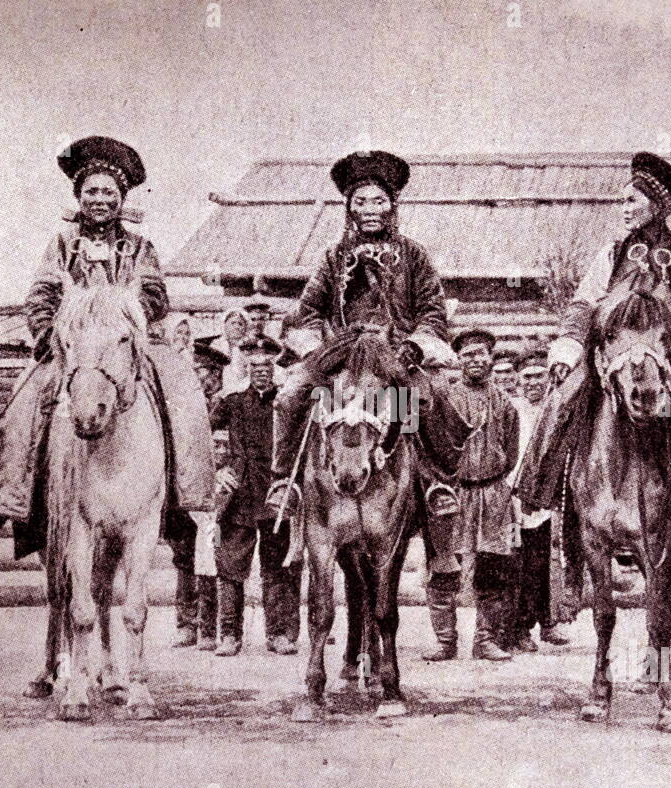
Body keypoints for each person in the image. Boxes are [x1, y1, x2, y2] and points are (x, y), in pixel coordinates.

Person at [0, 136, 214, 557]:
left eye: (108, 193)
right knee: (23, 402)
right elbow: (41, 293)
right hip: (72, 347)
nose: (99, 200)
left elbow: (154, 293)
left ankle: (188, 495)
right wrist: (47, 333)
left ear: (121, 198)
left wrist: (128, 316)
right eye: (91, 191)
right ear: (79, 196)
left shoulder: (139, 247)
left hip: (124, 346)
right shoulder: (61, 244)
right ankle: (16, 496)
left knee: (183, 390)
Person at [516, 151, 671, 565]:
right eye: (622, 201)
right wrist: (570, 345)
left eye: (632, 201)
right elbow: (584, 304)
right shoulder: (611, 254)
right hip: (613, 358)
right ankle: (541, 490)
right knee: (563, 395)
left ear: (656, 206)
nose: (624, 209)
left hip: (669, 357)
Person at [267, 150, 468, 534]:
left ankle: (438, 480)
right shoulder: (332, 257)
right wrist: (316, 350)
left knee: (433, 395)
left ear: (393, 205)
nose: (371, 209)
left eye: (379, 200)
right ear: (349, 207)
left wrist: (417, 346)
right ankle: (285, 482)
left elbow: (433, 310)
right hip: (341, 358)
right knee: (291, 393)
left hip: (395, 356)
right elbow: (305, 311)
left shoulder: (414, 256)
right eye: (361, 202)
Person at [211, 336, 301, 656]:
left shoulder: (285, 403)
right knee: (231, 566)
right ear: (246, 369)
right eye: (255, 366)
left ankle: (276, 634)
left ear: (273, 368)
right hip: (239, 495)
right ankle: (229, 635)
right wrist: (219, 469)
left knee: (275, 567)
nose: (261, 371)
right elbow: (203, 432)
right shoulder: (232, 402)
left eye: (266, 366)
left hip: (275, 494)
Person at [439, 328, 520, 662]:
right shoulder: (444, 398)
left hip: (492, 493)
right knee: (444, 566)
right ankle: (445, 640)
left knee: (492, 568)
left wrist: (495, 476)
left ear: (490, 358)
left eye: (480, 353)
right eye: (468, 354)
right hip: (453, 494)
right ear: (459, 360)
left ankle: (484, 639)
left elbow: (512, 450)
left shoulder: (504, 402)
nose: (474, 359)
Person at [164, 337, 231, 648]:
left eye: (201, 371)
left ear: (214, 373)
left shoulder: (227, 404)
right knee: (183, 558)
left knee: (210, 557)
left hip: (215, 491)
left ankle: (207, 626)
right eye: (194, 371)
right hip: (182, 490)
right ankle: (185, 624)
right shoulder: (178, 405)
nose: (197, 377)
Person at [507, 348, 568, 651]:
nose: (533, 383)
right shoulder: (510, 409)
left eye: (539, 376)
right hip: (516, 495)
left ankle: (549, 622)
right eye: (526, 377)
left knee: (548, 563)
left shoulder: (557, 407)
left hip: (551, 496)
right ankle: (520, 628)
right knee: (523, 565)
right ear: (517, 381)